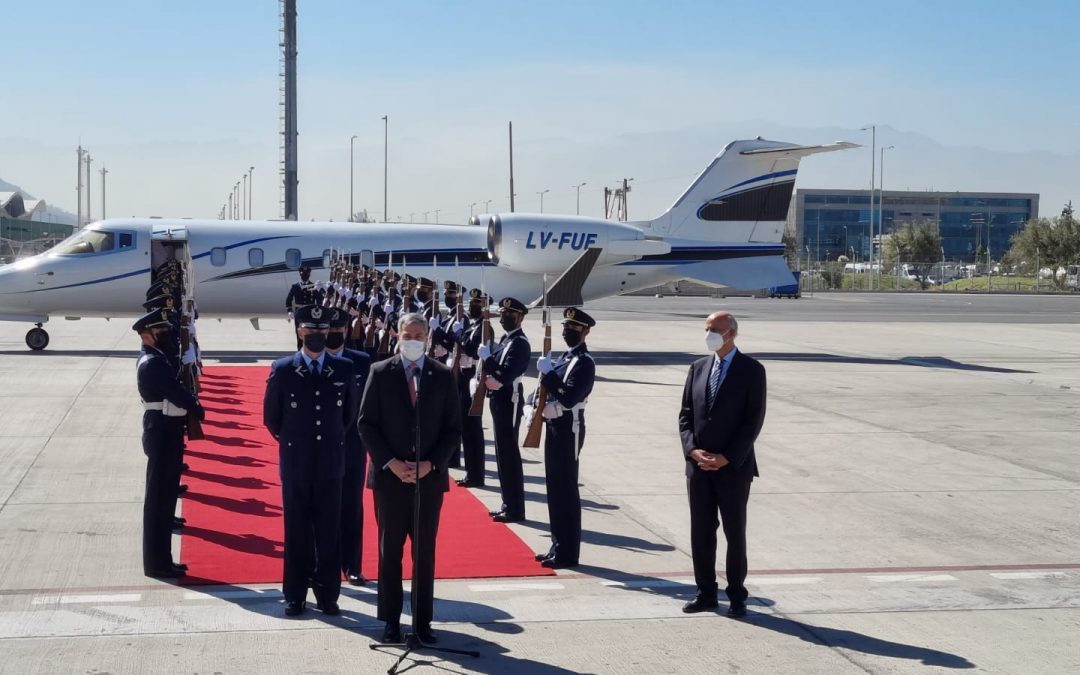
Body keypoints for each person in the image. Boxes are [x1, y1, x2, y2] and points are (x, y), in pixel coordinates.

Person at [357, 313, 462, 645]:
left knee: (424, 552)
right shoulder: (380, 371)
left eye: (418, 334)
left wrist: (432, 464)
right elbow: (366, 424)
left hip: (428, 480)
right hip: (390, 479)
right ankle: (390, 621)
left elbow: (453, 429)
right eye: (407, 334)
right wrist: (390, 462)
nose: (413, 340)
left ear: (427, 338)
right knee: (390, 552)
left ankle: (422, 622)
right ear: (397, 336)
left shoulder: (442, 376)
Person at [263, 305, 355, 617]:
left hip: (330, 463)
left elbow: (348, 417)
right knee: (297, 530)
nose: (317, 336)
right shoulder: (284, 369)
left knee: (329, 531)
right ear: (300, 331)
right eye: (311, 331)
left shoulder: (343, 369)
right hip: (296, 463)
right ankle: (295, 594)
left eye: (322, 331)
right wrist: (296, 442)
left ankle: (328, 594)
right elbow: (271, 418)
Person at [678, 311, 766, 618]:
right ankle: (705, 592)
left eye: (714, 329)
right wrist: (692, 451)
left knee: (734, 533)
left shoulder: (752, 370)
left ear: (731, 333)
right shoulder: (698, 367)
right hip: (699, 467)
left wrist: (727, 457)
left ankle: (737, 595)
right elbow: (686, 415)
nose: (708, 335)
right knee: (701, 532)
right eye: (706, 329)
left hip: (733, 467)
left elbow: (753, 421)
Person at [134, 308, 204, 578]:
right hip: (162, 431)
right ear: (147, 336)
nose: (166, 336)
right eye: (160, 333)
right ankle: (156, 563)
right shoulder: (152, 363)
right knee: (159, 502)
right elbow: (177, 393)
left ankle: (162, 560)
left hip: (166, 429)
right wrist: (196, 407)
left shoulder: (157, 358)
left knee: (164, 500)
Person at [534, 307, 596, 569]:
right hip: (554, 425)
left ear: (585, 332)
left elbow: (570, 397)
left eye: (573, 328)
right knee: (554, 488)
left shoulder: (584, 362)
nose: (567, 331)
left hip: (570, 427)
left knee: (566, 490)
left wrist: (549, 375)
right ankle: (557, 545)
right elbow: (548, 389)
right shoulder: (564, 358)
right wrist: (532, 406)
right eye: (566, 327)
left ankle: (568, 553)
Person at [325, 308, 371, 586]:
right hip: (322, 448)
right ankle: (322, 564)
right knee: (321, 509)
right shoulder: (310, 359)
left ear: (345, 331)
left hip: (353, 447)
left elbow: (371, 405)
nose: (333, 334)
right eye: (328, 329)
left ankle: (352, 565)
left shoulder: (361, 362)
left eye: (338, 329)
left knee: (352, 508)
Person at [478, 297, 531, 523]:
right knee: (502, 453)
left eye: (510, 314)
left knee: (509, 453)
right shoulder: (506, 339)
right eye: (503, 313)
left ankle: (515, 508)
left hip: (511, 399)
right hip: (499, 398)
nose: (504, 317)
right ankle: (507, 502)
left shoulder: (520, 343)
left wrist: (488, 360)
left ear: (520, 317)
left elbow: (506, 375)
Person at [454, 288, 487, 487]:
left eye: (477, 304)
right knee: (466, 428)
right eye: (472, 303)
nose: (473, 306)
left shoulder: (484, 327)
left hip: (472, 377)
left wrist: (459, 334)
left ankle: (476, 473)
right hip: (465, 376)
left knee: (473, 429)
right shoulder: (474, 325)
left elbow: (472, 348)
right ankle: (471, 472)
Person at [285, 265, 322, 349]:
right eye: (303, 274)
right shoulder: (295, 286)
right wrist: (290, 310)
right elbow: (288, 300)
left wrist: (320, 291)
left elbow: (319, 301)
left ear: (309, 275)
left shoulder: (313, 286)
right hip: (299, 313)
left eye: (306, 274)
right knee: (299, 333)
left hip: (310, 313)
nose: (305, 276)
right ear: (300, 275)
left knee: (310, 333)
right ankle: (299, 351)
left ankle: (309, 350)